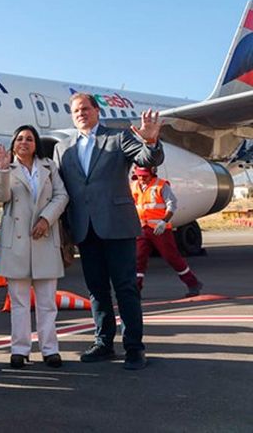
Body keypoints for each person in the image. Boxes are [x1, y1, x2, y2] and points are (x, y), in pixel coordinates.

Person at [54, 92, 164, 371]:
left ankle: (134, 347)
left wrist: (150, 140)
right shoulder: (62, 148)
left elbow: (146, 159)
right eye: (76, 111)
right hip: (84, 227)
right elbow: (59, 189)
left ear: (97, 111)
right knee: (96, 290)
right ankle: (103, 342)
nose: (81, 114)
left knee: (126, 288)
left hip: (116, 224)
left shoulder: (118, 137)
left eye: (85, 109)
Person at [0, 125, 69, 369]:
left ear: (36, 145)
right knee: (19, 303)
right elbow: (0, 196)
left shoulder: (49, 167)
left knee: (47, 303)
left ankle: (50, 349)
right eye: (20, 139)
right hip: (17, 242)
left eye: (29, 139)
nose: (24, 142)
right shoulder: (6, 167)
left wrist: (46, 219)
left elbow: (62, 196)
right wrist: (3, 169)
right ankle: (19, 350)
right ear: (14, 143)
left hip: (44, 236)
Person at [131, 166, 204, 297]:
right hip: (142, 228)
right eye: (139, 175)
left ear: (152, 173)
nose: (141, 178)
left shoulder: (161, 185)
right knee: (138, 258)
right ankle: (135, 289)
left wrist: (164, 221)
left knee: (172, 257)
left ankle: (193, 283)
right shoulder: (134, 186)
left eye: (144, 176)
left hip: (160, 229)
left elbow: (172, 204)